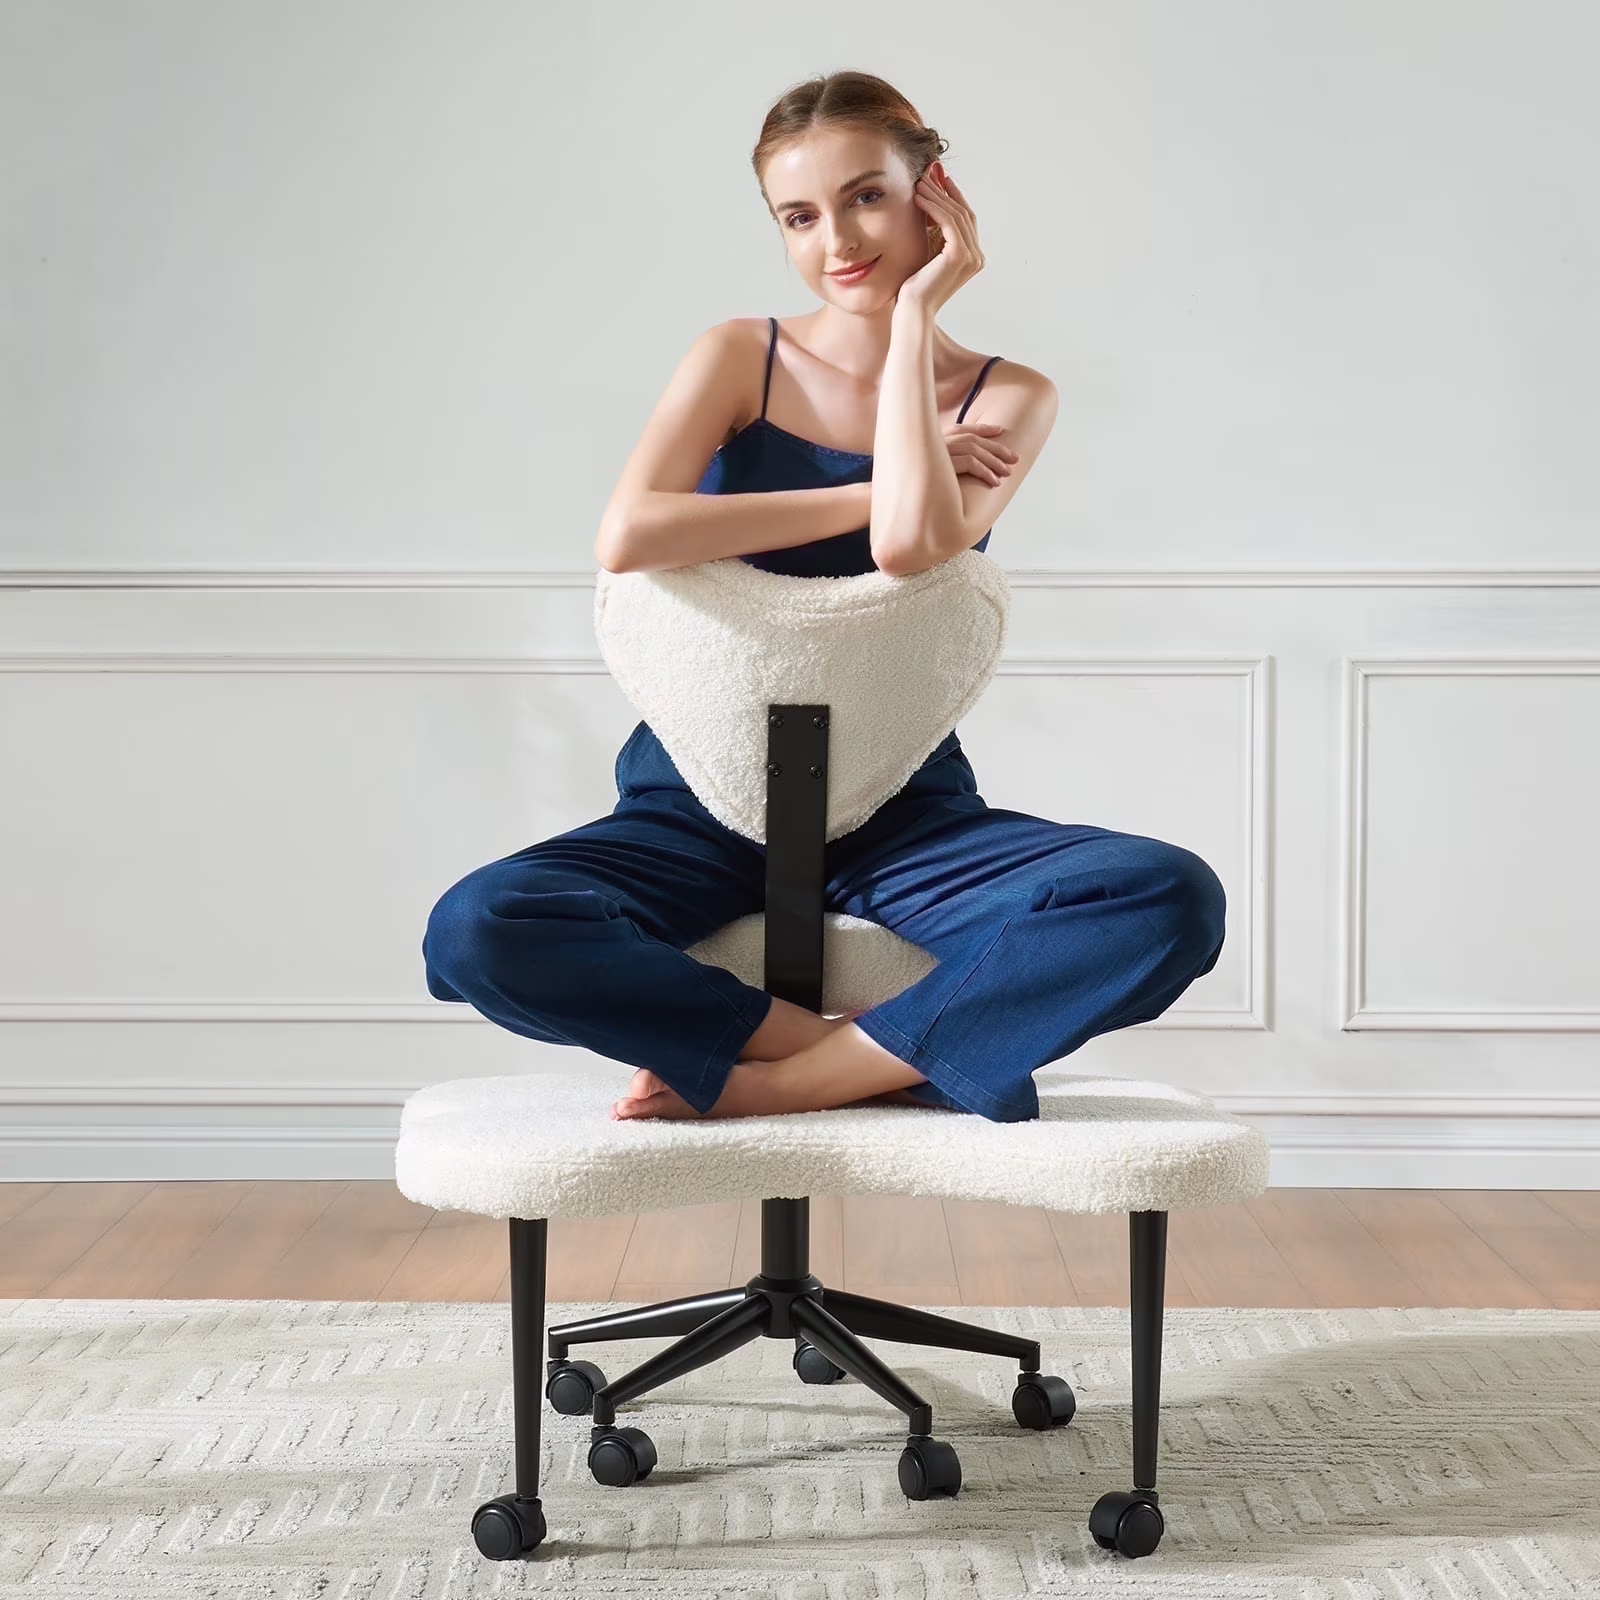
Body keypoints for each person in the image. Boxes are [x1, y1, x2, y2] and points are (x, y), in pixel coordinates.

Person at [422, 71, 1226, 1124]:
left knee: (1169, 895)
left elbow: (909, 545)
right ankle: (871, 1063)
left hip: (901, 811)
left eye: (866, 197)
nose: (836, 240)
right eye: (798, 216)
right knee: (477, 926)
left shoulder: (1009, 395)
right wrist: (874, 480)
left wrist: (917, 320)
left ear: (934, 195)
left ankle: (782, 1086)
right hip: (693, 801)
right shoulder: (739, 355)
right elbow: (630, 533)